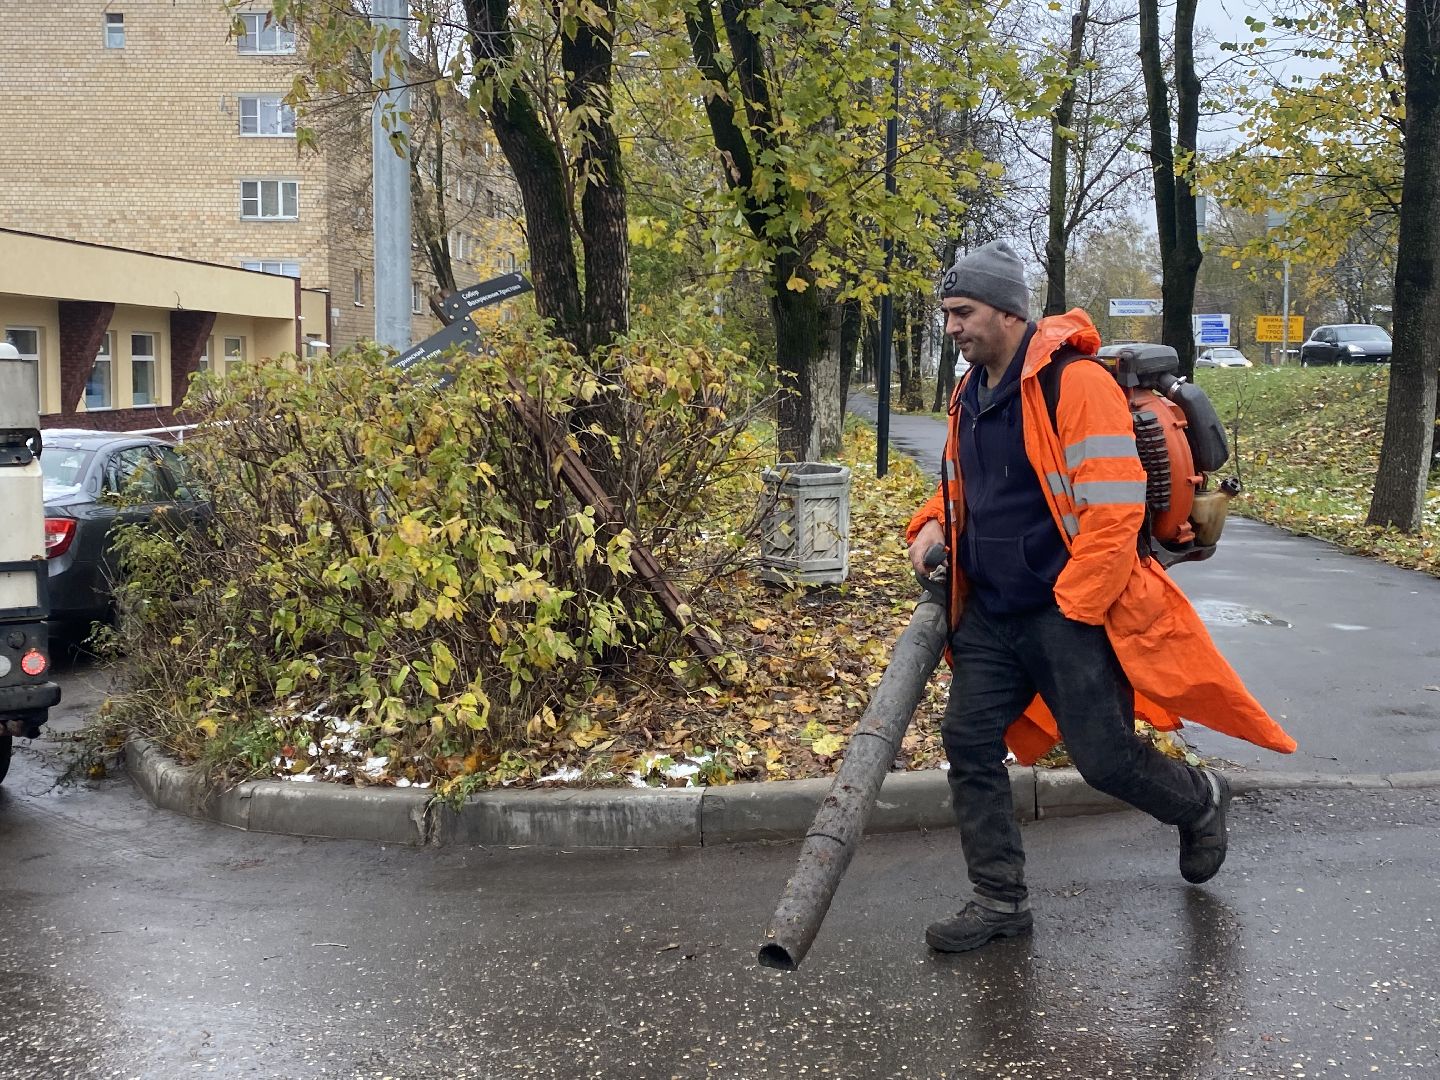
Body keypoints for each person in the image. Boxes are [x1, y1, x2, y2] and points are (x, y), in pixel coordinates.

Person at [906, 240, 1296, 953]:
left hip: (1069, 610)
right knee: (967, 743)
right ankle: (999, 901)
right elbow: (965, 482)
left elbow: (1115, 512)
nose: (953, 327)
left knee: (1107, 759)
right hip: (992, 611)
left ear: (1007, 310)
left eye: (963, 313)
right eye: (948, 315)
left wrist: (1074, 610)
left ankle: (1199, 800)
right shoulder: (971, 390)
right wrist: (930, 523)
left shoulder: (1074, 384)